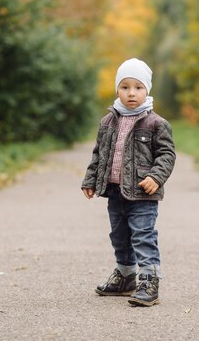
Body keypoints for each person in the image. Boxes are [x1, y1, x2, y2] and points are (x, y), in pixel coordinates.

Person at [81, 58, 176, 307]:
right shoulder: (107, 122)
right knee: (119, 236)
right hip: (114, 191)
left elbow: (167, 155)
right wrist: (91, 179)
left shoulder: (156, 123)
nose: (131, 93)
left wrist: (156, 177)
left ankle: (149, 280)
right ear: (117, 90)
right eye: (125, 87)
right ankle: (125, 276)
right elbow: (98, 153)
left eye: (137, 87)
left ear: (147, 90)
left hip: (143, 192)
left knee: (143, 236)